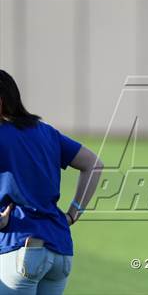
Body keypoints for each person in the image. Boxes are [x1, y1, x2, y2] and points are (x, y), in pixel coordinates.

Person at [0, 69, 104, 295]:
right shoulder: (46, 132)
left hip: (18, 247)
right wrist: (73, 213)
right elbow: (94, 164)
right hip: (60, 249)